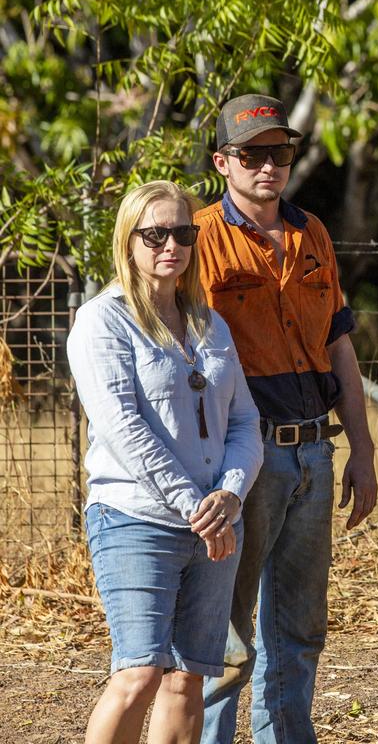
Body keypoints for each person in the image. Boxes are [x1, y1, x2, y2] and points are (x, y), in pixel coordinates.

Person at [195, 94, 378, 742]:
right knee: (226, 632)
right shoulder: (195, 239)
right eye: (252, 154)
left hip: (314, 454)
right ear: (223, 162)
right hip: (243, 460)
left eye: (280, 152)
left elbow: (339, 345)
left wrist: (363, 449)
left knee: (299, 628)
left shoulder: (313, 232)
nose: (268, 166)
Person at [67, 181, 263, 743]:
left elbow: (246, 422)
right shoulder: (101, 321)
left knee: (189, 678)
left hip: (215, 524)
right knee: (139, 671)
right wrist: (193, 504)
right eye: (154, 234)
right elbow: (123, 427)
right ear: (128, 242)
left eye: (182, 232)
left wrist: (230, 493)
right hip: (136, 519)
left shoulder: (210, 324)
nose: (169, 245)